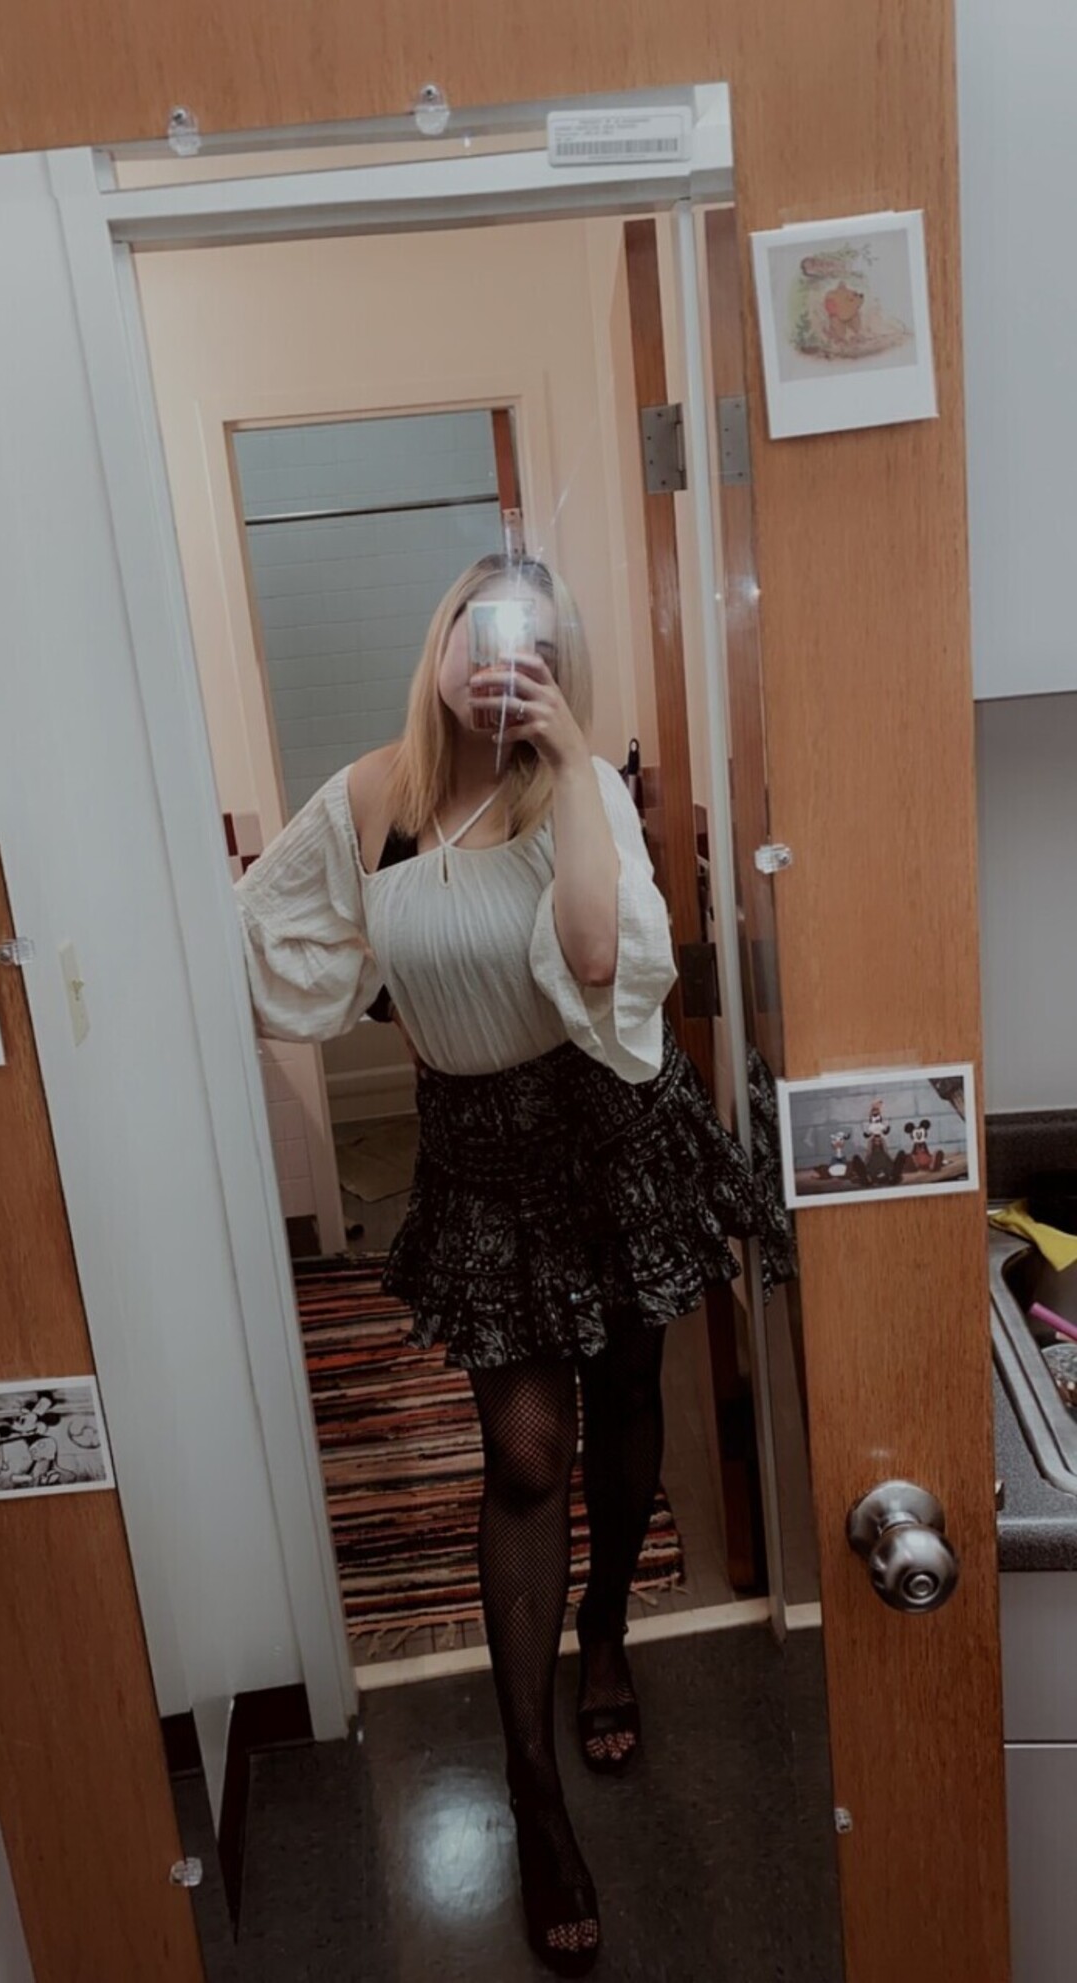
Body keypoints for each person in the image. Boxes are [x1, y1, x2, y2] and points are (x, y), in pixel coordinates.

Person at [235, 553, 785, 1975]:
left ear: (556, 657)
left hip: (607, 1134)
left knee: (626, 1410)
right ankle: (535, 1794)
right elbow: (259, 932)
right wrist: (374, 986)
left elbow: (598, 955)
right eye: (475, 632)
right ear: (438, 644)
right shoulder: (372, 799)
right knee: (528, 1455)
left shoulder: (575, 785)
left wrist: (574, 757)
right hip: (478, 1156)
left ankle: (605, 1631)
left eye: (527, 639)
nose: (496, 660)